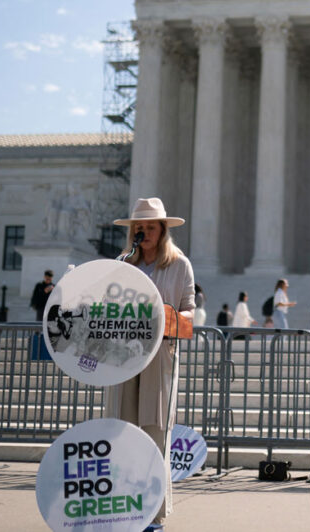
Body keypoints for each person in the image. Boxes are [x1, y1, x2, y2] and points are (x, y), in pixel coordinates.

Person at [105, 197, 195, 530]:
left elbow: (189, 313)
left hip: (159, 355)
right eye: (137, 228)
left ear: (162, 231)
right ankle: (123, 507)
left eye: (149, 227)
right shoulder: (123, 264)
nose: (142, 232)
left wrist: (165, 317)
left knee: (155, 431)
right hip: (123, 355)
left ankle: (153, 514)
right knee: (124, 428)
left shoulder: (179, 265)